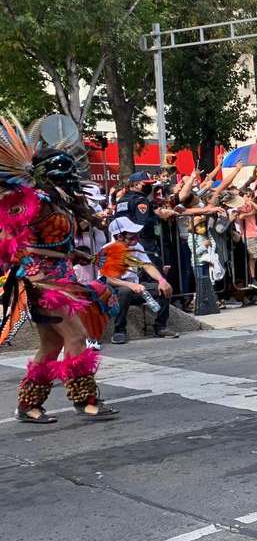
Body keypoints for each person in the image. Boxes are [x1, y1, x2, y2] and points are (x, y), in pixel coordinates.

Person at [1, 121, 120, 422]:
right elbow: (10, 236)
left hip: (60, 277)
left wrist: (73, 254)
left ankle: (28, 405)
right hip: (44, 284)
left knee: (52, 343)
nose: (73, 175)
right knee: (77, 336)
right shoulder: (35, 201)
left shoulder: (56, 200)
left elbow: (49, 241)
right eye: (68, 170)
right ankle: (86, 400)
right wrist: (29, 265)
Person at [102, 217, 177, 343]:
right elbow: (109, 280)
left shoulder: (137, 246)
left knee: (163, 288)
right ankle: (119, 331)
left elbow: (147, 265)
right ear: (119, 237)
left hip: (135, 287)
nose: (136, 239)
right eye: (132, 237)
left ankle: (161, 326)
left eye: (137, 236)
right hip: (114, 290)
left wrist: (162, 280)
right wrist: (131, 285)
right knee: (125, 291)